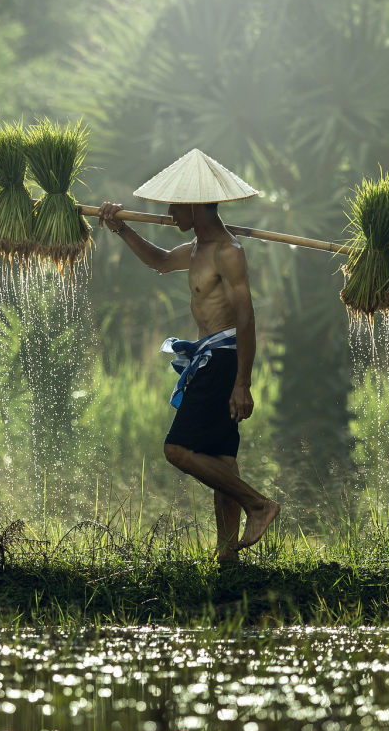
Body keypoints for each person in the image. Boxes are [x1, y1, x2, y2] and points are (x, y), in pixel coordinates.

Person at [97, 149, 281, 565]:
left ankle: (258, 505)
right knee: (221, 460)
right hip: (209, 357)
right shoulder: (198, 247)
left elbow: (246, 316)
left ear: (195, 205)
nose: (169, 212)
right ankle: (227, 555)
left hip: (223, 360)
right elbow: (161, 262)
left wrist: (243, 383)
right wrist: (120, 227)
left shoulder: (227, 251)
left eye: (174, 205)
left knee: (177, 450)